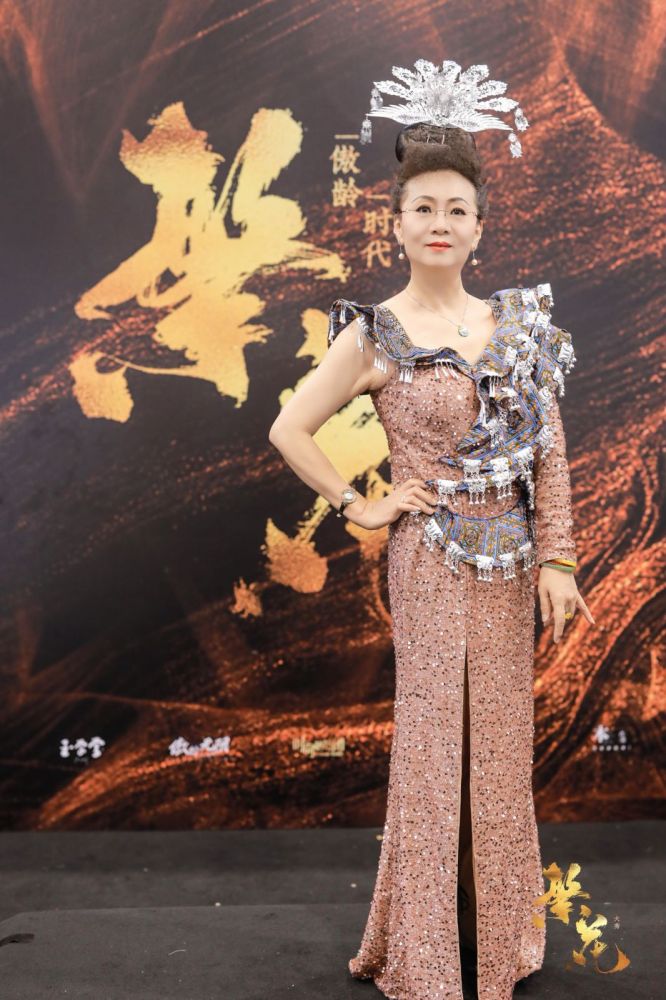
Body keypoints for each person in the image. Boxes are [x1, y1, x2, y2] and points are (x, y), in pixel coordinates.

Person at [269, 63, 595, 1000]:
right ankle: (422, 953)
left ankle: (499, 947)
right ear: (398, 224)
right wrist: (360, 503)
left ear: (480, 227)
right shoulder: (374, 334)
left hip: (511, 564)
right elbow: (290, 428)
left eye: (458, 208)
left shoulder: (517, 325)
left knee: (498, 746)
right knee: (429, 747)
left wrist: (559, 558)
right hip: (428, 557)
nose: (440, 222)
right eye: (424, 208)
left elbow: (548, 451)